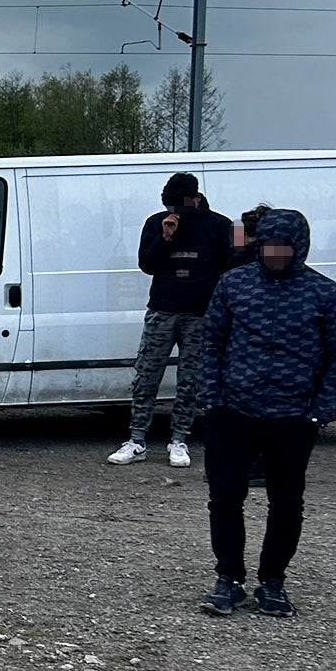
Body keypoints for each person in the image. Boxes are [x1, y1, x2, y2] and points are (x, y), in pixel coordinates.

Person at [196, 209, 336, 618]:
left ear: (299, 248)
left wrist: (320, 410)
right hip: (233, 411)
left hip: (293, 416)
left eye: (283, 248)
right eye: (268, 246)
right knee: (225, 496)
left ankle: (273, 581)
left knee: (286, 502)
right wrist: (211, 397)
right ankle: (228, 577)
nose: (275, 254)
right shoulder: (233, 284)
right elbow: (210, 342)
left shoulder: (326, 293)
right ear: (258, 244)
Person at [107, 173, 231, 468]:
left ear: (196, 198)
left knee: (190, 380)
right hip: (163, 310)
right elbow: (147, 265)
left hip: (200, 314)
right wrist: (165, 237)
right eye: (170, 207)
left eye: (181, 206)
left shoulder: (221, 225)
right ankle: (136, 440)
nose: (176, 213)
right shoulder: (156, 223)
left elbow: (233, 264)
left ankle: (179, 440)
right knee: (147, 375)